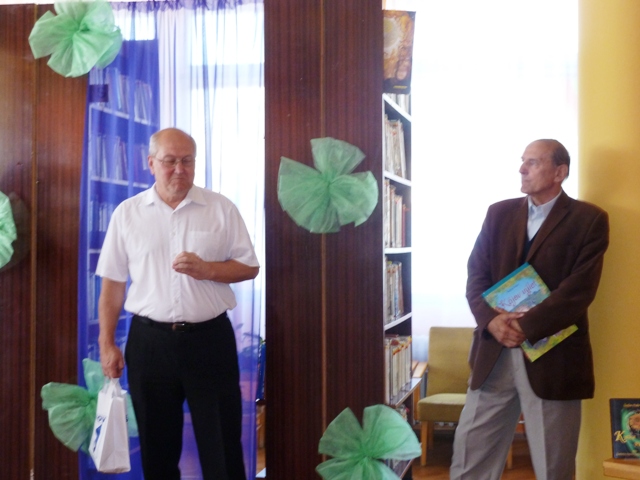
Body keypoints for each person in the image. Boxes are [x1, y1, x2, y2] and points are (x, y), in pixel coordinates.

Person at [97, 127, 259, 480]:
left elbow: (249, 267)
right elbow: (112, 284)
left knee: (222, 447)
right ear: (151, 163)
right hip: (150, 344)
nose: (179, 169)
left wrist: (208, 269)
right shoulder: (127, 214)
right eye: (169, 161)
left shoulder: (221, 209)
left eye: (187, 161)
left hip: (210, 342)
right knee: (157, 450)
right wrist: (106, 343)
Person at [450, 139, 609, 480]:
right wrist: (491, 321)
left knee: (554, 467)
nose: (522, 169)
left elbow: (579, 291)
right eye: (523, 161)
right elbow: (476, 274)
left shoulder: (589, 219)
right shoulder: (498, 213)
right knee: (470, 457)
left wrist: (524, 326)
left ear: (559, 172)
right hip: (494, 353)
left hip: (553, 358)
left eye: (533, 162)